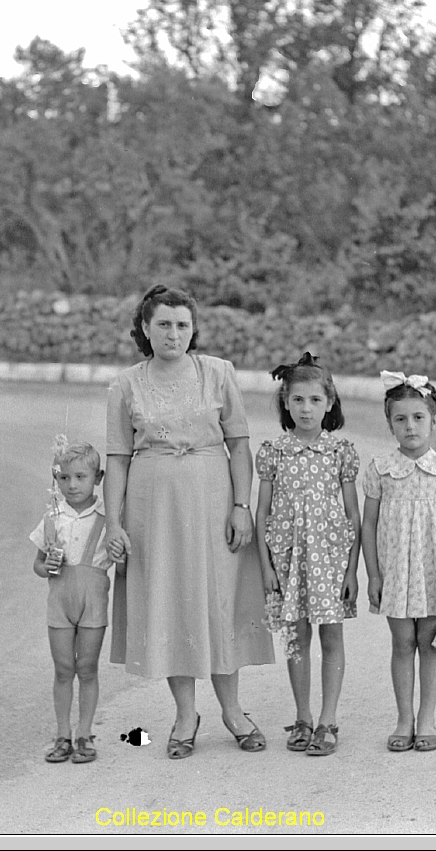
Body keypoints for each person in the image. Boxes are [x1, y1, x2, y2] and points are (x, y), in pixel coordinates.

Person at [104, 284, 275, 760]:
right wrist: (114, 522)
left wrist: (242, 505)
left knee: (219, 601)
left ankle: (234, 712)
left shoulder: (218, 373)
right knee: (171, 602)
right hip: (152, 507)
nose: (173, 333)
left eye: (182, 324)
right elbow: (117, 457)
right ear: (144, 328)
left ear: (193, 329)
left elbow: (239, 443)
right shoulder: (127, 383)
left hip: (213, 499)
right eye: (163, 324)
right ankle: (184, 715)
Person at [255, 352, 361, 757]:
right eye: (297, 400)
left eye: (315, 400)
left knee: (331, 636)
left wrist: (352, 570)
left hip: (330, 562)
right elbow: (263, 512)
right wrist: (266, 566)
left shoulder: (340, 453)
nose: (306, 408)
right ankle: (302, 716)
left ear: (329, 403)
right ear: (285, 401)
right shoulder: (274, 452)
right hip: (287, 559)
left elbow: (353, 514)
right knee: (296, 638)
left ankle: (327, 719)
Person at [361, 371, 436, 753]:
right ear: (390, 423)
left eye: (419, 417)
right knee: (402, 642)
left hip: (435, 573)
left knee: (430, 642)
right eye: (401, 419)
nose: (410, 426)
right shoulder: (380, 469)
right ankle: (403, 718)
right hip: (396, 574)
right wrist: (373, 574)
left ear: (434, 420)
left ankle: (427, 719)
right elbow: (369, 524)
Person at [29, 437, 119, 764]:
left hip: (93, 603)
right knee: (64, 668)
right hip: (60, 604)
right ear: (57, 479)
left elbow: (121, 561)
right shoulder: (53, 517)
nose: (72, 485)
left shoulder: (108, 520)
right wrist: (46, 566)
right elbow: (38, 565)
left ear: (98, 478)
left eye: (81, 477)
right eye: (64, 478)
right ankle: (62, 734)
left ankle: (85, 733)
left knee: (88, 668)